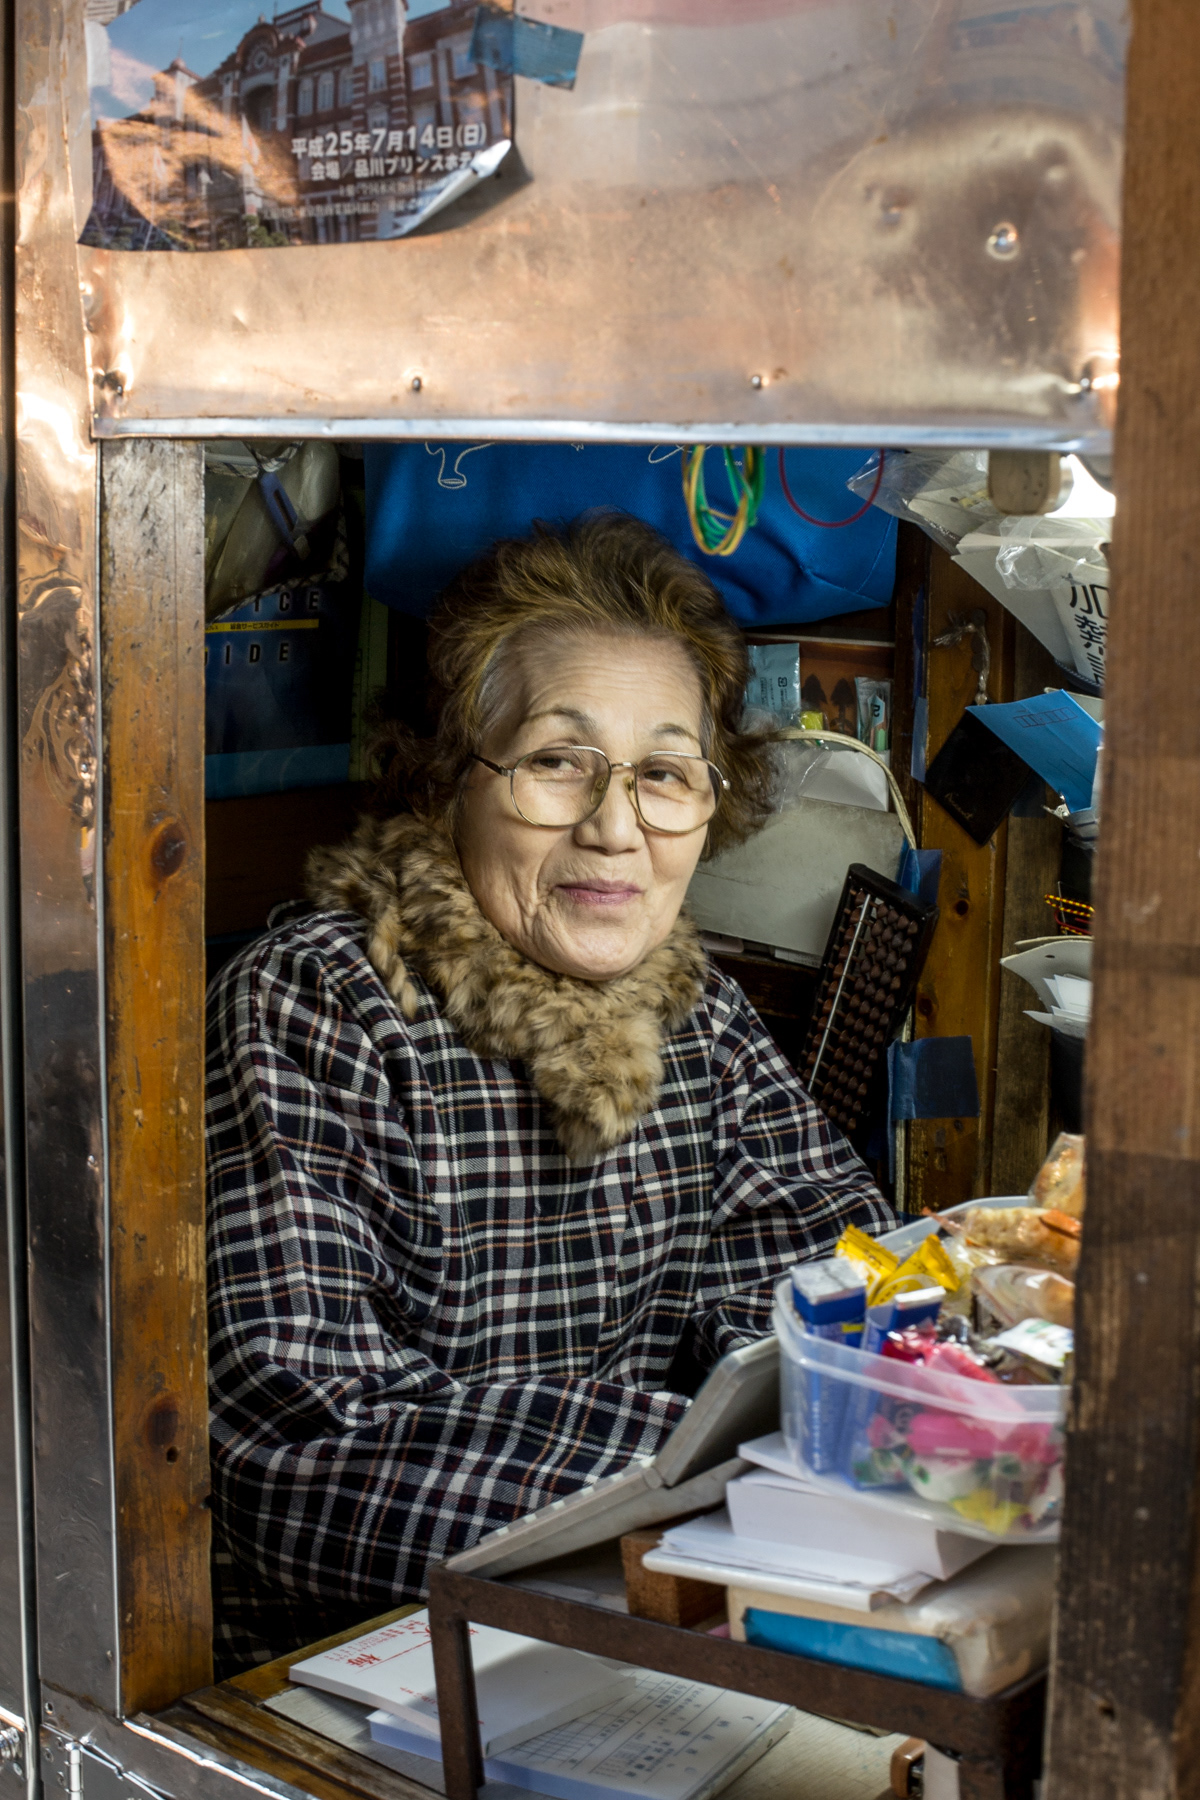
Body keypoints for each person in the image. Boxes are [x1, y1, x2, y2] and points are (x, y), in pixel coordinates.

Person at [206, 512, 895, 1672]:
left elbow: (830, 1291)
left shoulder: (698, 1016)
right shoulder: (325, 1002)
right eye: (556, 762)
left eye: (664, 775)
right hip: (355, 1660)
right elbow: (302, 1445)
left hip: (624, 1622)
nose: (615, 828)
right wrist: (727, 1470)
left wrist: (806, 1420)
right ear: (449, 778)